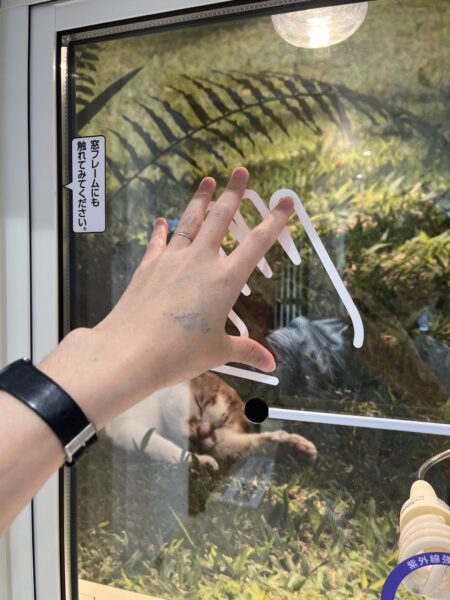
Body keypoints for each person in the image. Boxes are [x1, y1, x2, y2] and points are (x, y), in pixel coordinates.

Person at [0, 167, 294, 533]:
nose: (201, 429)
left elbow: (221, 441)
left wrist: (105, 354)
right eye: (203, 409)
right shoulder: (168, 399)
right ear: (193, 378)